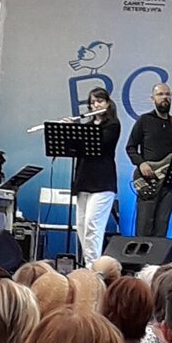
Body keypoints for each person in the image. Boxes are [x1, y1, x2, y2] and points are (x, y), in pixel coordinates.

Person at [126, 83, 172, 237]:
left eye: (167, 94)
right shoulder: (144, 120)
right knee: (144, 224)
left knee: (162, 225)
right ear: (153, 98)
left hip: (170, 181)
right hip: (148, 179)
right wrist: (141, 163)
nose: (165, 97)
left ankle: (158, 253)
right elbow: (130, 147)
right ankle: (141, 253)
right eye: (160, 94)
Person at [72, 88, 121, 267]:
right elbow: (73, 147)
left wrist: (78, 131)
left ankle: (93, 269)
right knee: (81, 226)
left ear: (107, 103)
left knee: (93, 225)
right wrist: (69, 129)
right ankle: (89, 264)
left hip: (103, 182)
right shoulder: (86, 127)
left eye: (99, 101)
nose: (96, 105)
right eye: (92, 102)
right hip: (84, 180)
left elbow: (102, 144)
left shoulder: (113, 125)